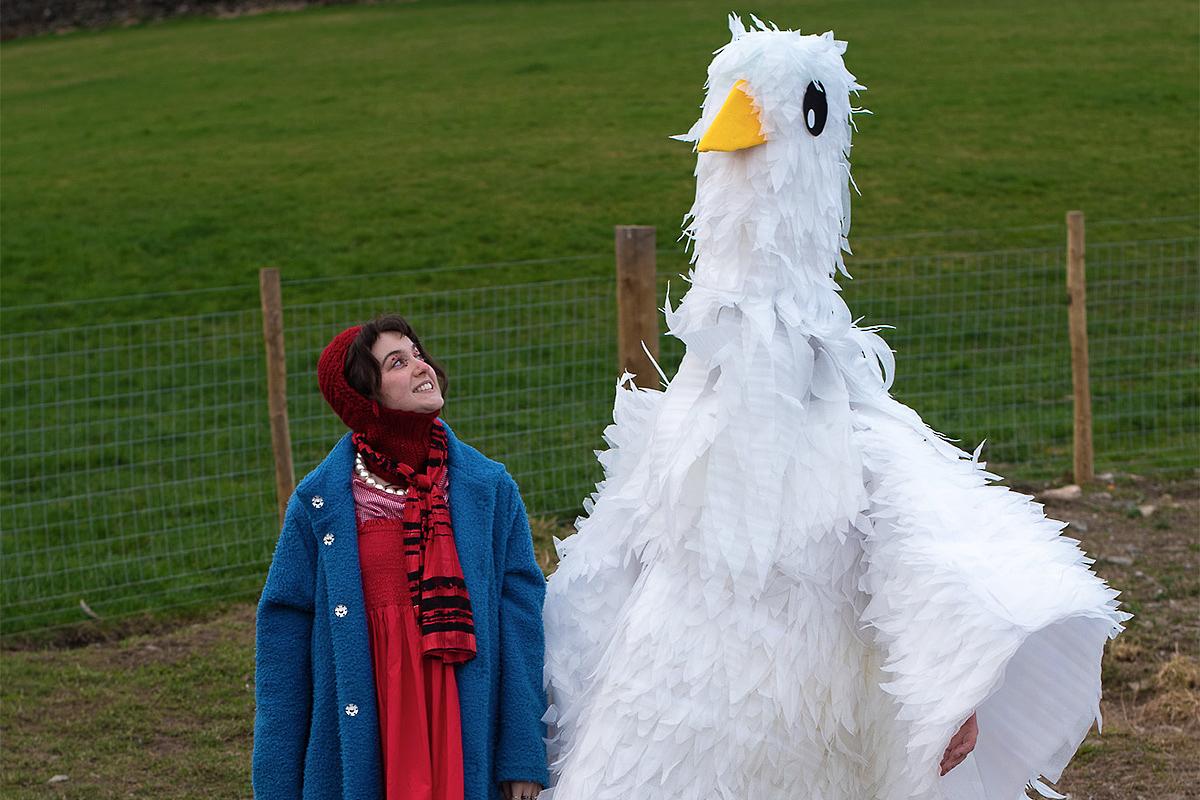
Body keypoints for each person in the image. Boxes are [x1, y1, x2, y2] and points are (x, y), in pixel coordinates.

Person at [253, 314, 548, 800]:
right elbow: (282, 659)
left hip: (457, 720)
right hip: (371, 721)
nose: (420, 366)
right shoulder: (319, 505)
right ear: (364, 397)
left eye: (417, 354)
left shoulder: (489, 489)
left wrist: (521, 752)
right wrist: (276, 786)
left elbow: (521, 625)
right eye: (397, 362)